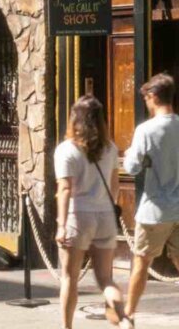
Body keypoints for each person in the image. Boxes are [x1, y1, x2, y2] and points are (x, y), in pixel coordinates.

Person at [121, 73, 179, 329]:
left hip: (155, 210)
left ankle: (128, 316)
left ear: (154, 96)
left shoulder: (146, 130)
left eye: (147, 97)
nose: (146, 102)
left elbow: (133, 167)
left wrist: (133, 156)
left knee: (141, 263)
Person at [54, 94, 124, 329]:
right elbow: (115, 185)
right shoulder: (110, 148)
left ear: (75, 119)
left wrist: (61, 225)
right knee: (106, 279)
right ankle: (124, 322)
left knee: (69, 278)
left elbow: (65, 189)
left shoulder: (66, 150)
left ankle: (67, 327)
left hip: (78, 216)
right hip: (105, 215)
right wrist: (106, 204)